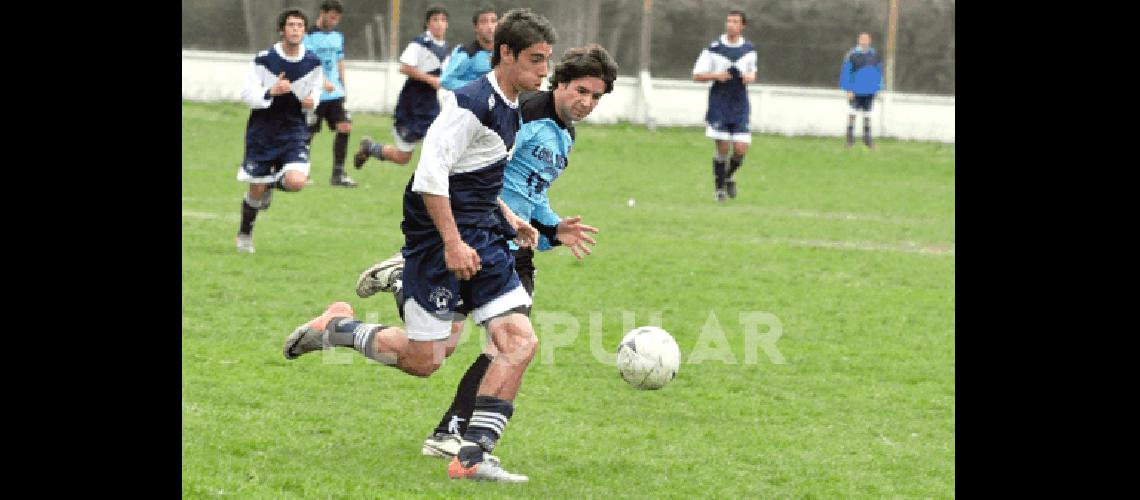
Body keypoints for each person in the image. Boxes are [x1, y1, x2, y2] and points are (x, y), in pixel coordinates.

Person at [283, 8, 558, 483]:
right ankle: (339, 328)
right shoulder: (470, 104)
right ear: (506, 54)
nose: (544, 71)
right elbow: (430, 177)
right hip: (440, 242)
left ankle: (471, 458)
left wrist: (510, 219)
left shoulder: (511, 105)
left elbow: (477, 175)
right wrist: (451, 244)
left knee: (519, 341)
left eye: (547, 60)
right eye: (536, 60)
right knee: (424, 360)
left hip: (484, 237)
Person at [353, 44, 617, 463]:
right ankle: (453, 431)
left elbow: (533, 192)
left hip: (515, 245)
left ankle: (449, 427)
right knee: (477, 348)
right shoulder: (523, 113)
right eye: (581, 91)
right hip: (484, 235)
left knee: (465, 351)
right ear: (560, 83)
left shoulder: (566, 134)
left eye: (597, 97)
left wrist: (553, 228)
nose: (586, 103)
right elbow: (475, 174)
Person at [234, 8, 323, 253]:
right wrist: (271, 91)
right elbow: (247, 94)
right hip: (262, 132)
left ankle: (272, 184)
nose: (295, 29)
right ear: (282, 30)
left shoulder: (312, 62)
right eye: (291, 25)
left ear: (305, 31)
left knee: (296, 182)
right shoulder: (264, 60)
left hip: (294, 130)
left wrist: (311, 101)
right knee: (256, 190)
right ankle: (244, 234)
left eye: (300, 25)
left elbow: (316, 90)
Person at [353, 6, 450, 168]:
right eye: (435, 20)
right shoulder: (419, 44)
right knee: (403, 157)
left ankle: (435, 186)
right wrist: (430, 79)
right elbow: (404, 67)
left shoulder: (445, 47)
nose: (439, 24)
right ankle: (370, 147)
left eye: (443, 20)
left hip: (431, 105)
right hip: (411, 105)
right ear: (427, 23)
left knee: (441, 145)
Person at [691, 10, 757, 202]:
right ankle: (719, 189)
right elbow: (696, 75)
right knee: (723, 148)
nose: (730, 25)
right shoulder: (714, 48)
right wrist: (716, 76)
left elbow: (752, 72)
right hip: (719, 103)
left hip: (740, 104)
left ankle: (728, 176)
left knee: (740, 148)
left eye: (735, 22)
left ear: (742, 26)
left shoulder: (749, 49)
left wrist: (750, 77)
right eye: (728, 21)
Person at [303, 0, 357, 187]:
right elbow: (305, 64)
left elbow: (339, 61)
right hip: (315, 93)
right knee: (309, 133)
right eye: (332, 17)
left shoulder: (337, 37)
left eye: (337, 18)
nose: (334, 21)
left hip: (335, 94)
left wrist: (343, 86)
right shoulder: (308, 36)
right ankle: (303, 171)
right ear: (322, 13)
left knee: (345, 127)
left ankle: (338, 174)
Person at [839, 32, 883, 149]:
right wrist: (848, 89)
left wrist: (878, 87)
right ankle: (850, 140)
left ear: (869, 41)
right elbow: (846, 72)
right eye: (862, 39)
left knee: (867, 114)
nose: (864, 41)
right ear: (859, 40)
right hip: (855, 90)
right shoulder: (852, 55)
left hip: (869, 90)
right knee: (852, 113)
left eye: (866, 39)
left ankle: (867, 140)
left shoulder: (874, 55)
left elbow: (878, 72)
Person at [439, 6, 497, 92]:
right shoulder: (466, 53)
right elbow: (445, 81)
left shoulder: (504, 51)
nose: (490, 26)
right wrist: (479, 86)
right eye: (483, 22)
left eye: (493, 21)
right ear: (476, 28)